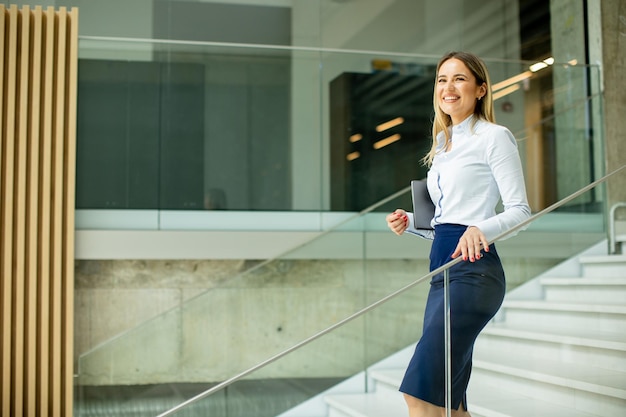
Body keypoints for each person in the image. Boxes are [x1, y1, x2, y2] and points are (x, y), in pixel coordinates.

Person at [385, 51, 531, 417]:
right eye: (441, 80)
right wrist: (412, 223)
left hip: (473, 274)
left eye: (459, 79)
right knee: (452, 404)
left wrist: (481, 228)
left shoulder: (494, 137)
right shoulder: (442, 147)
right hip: (440, 274)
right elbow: (444, 225)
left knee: (420, 396)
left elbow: (521, 212)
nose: (448, 87)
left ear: (481, 89)